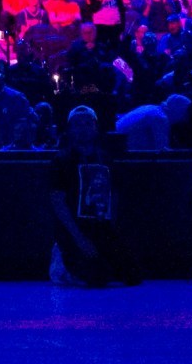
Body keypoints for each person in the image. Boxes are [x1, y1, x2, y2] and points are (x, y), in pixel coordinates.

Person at [47, 105, 140, 286]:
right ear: (70, 129)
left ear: (95, 127)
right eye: (77, 124)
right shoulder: (62, 160)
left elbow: (114, 193)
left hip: (101, 227)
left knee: (132, 275)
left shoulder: (105, 158)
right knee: (97, 277)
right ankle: (62, 263)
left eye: (87, 124)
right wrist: (79, 238)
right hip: (75, 229)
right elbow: (57, 201)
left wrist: (111, 228)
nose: (83, 129)